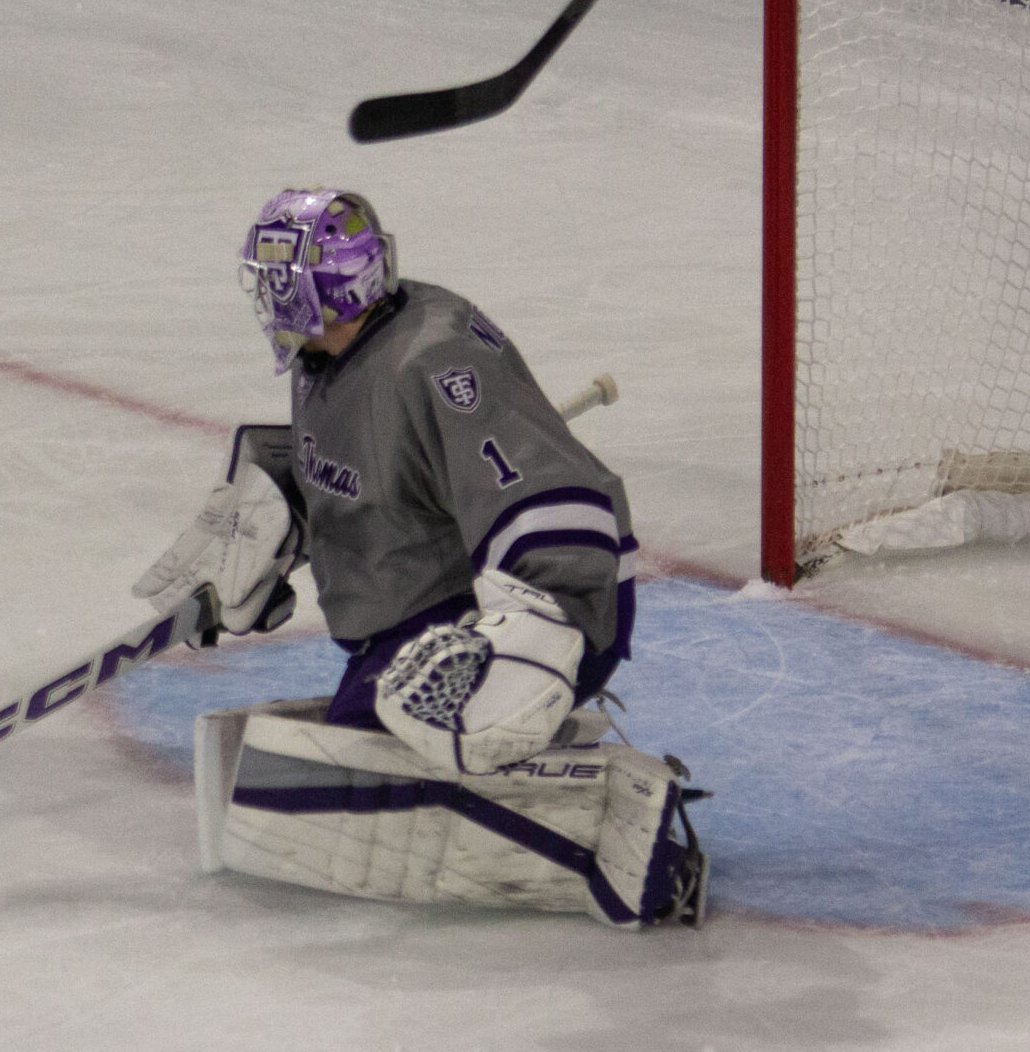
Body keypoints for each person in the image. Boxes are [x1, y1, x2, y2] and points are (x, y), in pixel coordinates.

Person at [139, 190, 699, 926]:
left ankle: (624, 835)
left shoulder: (437, 361)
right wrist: (277, 516)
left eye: (283, 281)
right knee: (298, 775)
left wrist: (536, 640)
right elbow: (372, 475)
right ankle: (499, 750)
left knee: (328, 797)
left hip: (536, 603)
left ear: (325, 288)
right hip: (420, 614)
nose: (269, 299)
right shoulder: (330, 355)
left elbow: (563, 503)